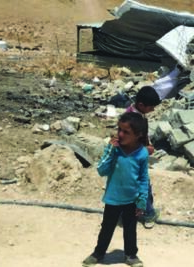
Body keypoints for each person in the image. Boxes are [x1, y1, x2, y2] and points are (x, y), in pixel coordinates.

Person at [83, 112, 149, 267]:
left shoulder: (142, 153)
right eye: (119, 129)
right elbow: (101, 170)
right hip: (113, 198)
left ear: (138, 135)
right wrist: (110, 152)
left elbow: (143, 179)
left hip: (131, 199)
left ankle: (131, 255)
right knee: (107, 228)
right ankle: (98, 253)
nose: (120, 134)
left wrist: (142, 201)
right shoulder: (114, 150)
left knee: (130, 229)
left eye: (126, 132)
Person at [125, 85, 161, 228]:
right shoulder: (133, 121)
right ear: (141, 105)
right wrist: (147, 150)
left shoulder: (133, 113)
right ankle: (148, 214)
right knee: (144, 187)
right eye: (151, 107)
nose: (153, 110)